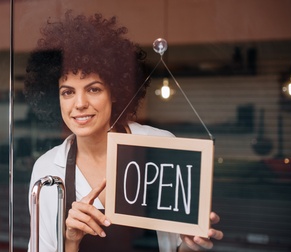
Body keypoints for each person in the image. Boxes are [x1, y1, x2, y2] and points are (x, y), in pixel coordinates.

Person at [24, 10, 223, 252]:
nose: (79, 104)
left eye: (94, 89)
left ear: (115, 91)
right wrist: (70, 241)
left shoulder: (159, 147)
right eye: (67, 92)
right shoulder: (46, 170)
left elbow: (175, 246)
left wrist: (192, 245)